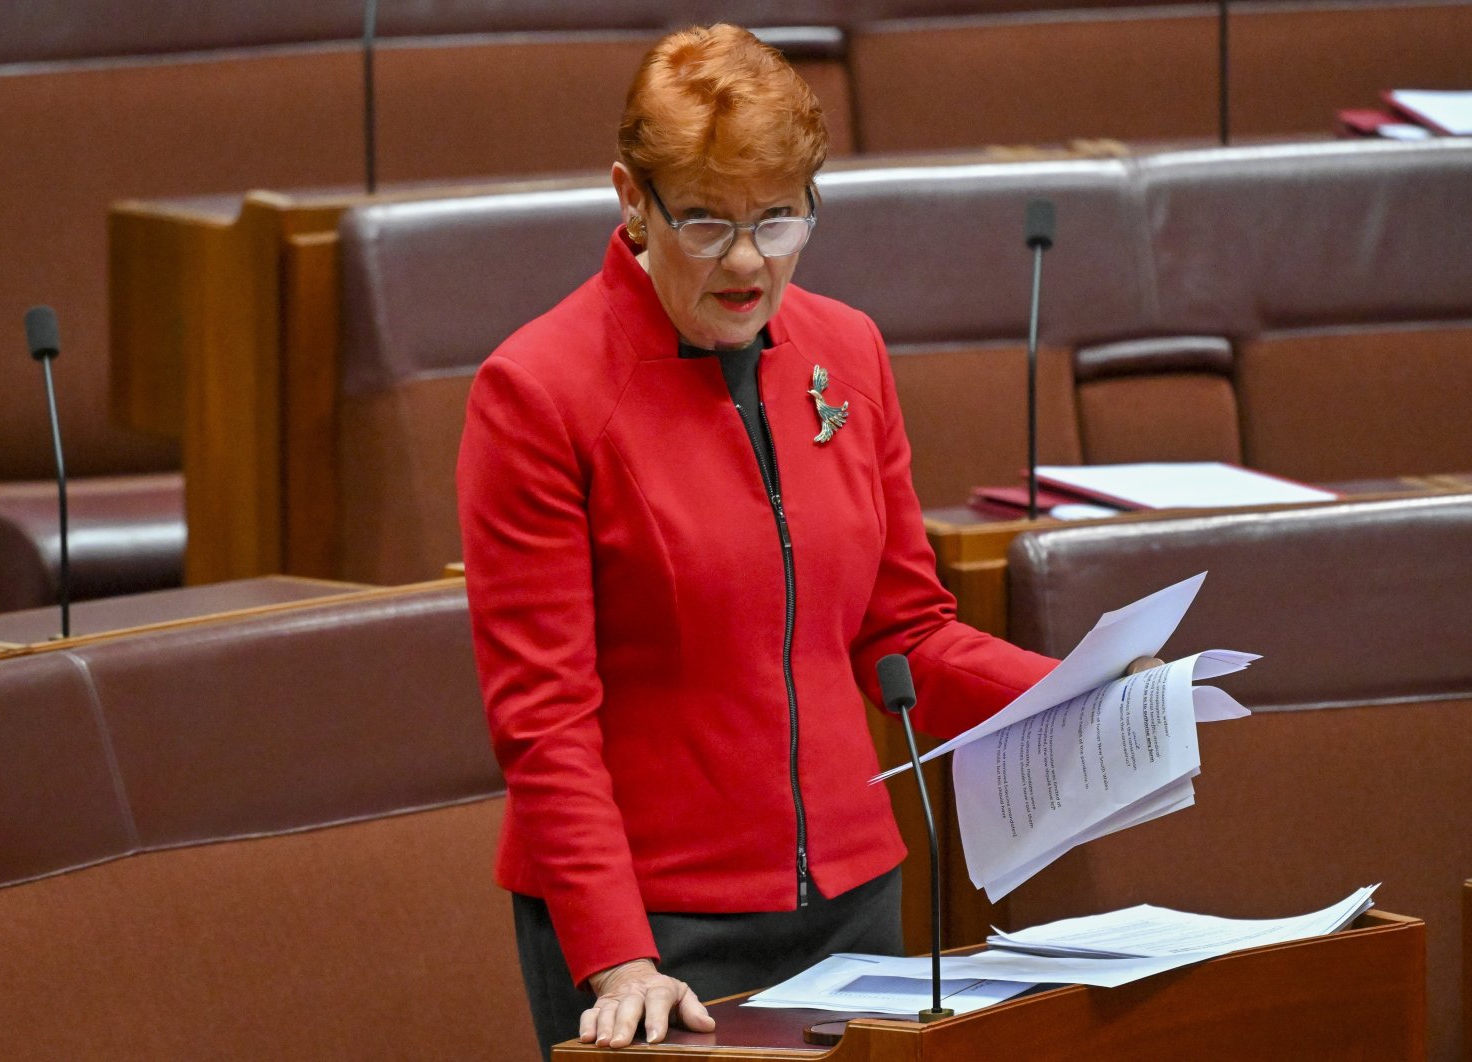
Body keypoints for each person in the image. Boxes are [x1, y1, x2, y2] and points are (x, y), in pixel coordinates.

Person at [457, 24, 1081, 1055]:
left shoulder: (848, 351)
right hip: (655, 934)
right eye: (704, 221)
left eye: (779, 219)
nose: (747, 261)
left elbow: (903, 628)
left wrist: (1076, 691)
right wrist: (618, 956)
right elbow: (544, 720)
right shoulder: (537, 393)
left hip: (854, 897)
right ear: (631, 199)